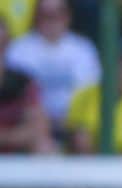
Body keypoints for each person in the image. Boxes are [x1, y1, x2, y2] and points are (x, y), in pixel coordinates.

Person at [5, 0, 99, 133]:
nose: (51, 20)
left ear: (67, 16)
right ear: (36, 17)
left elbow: (90, 92)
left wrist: (70, 119)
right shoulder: (19, 49)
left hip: (73, 124)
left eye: (56, 14)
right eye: (45, 14)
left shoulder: (83, 49)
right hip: (30, 125)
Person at [0, 13, 56, 154]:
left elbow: (39, 127)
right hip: (13, 139)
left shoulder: (22, 81)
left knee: (46, 146)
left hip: (15, 150)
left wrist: (7, 137)